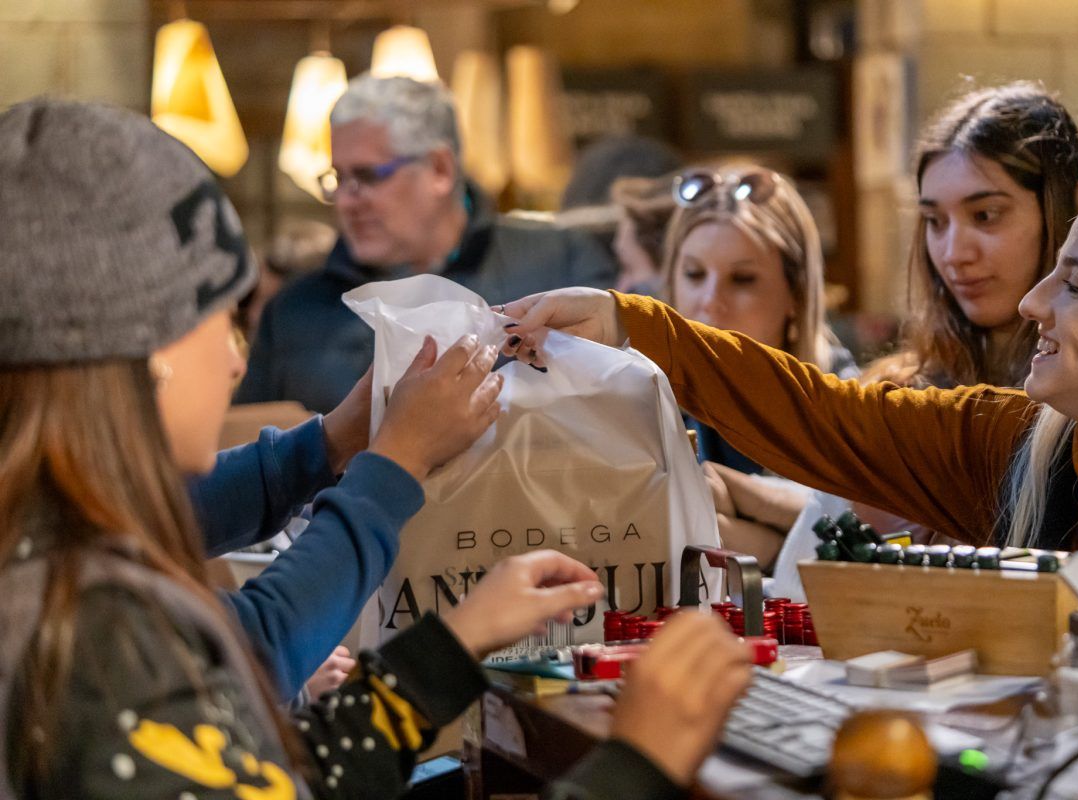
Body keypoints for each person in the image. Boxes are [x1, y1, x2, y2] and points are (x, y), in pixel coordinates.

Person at [0, 99, 751, 800]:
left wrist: (451, 640)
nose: (235, 361)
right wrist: (636, 762)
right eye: (221, 321)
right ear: (144, 349)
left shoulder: (52, 556)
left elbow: (287, 770)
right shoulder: (98, 636)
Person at [500, 175, 1078, 558]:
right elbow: (830, 415)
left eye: (1073, 285)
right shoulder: (1010, 442)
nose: (1030, 302)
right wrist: (630, 322)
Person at [236, 74, 618, 414]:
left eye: (368, 176)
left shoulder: (561, 266)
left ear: (440, 169)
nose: (347, 200)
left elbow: (621, 407)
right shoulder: (295, 312)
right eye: (338, 177)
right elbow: (255, 458)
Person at [658, 166, 857, 566]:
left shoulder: (849, 400)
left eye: (743, 279)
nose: (710, 301)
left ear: (796, 294)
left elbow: (870, 532)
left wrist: (769, 543)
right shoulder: (646, 395)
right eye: (694, 274)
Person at [865, 82, 1078, 390]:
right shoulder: (894, 395)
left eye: (986, 215)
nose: (954, 254)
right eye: (935, 221)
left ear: (1073, 206)